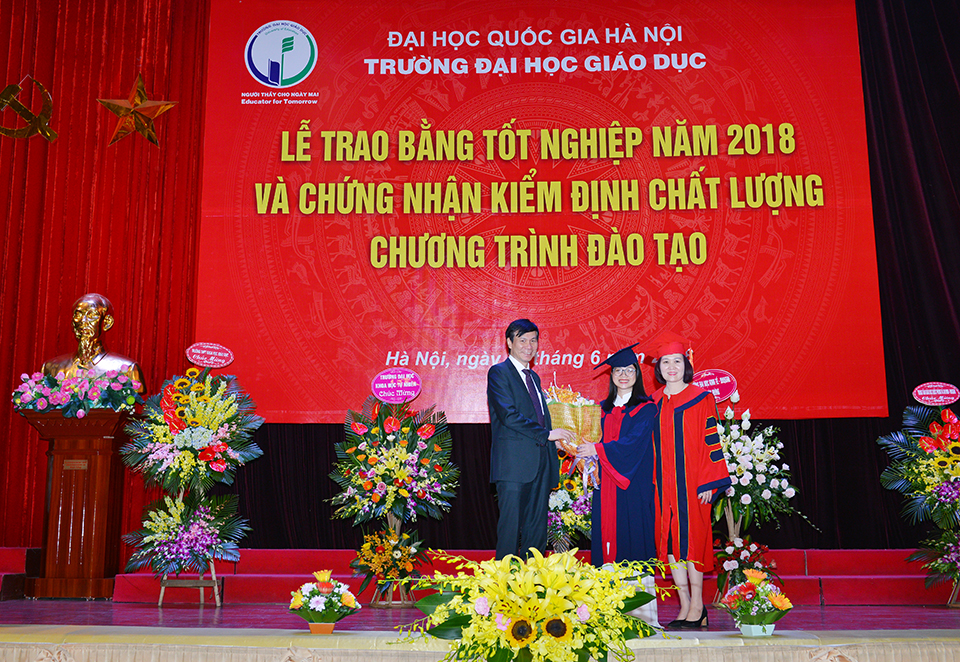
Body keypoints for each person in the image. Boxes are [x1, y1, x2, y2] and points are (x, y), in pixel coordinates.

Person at [648, 334, 731, 630]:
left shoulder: (701, 398)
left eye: (677, 361)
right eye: (666, 362)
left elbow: (711, 442)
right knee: (671, 544)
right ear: (659, 368)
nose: (672, 367)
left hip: (694, 485)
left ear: (686, 365)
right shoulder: (653, 403)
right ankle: (684, 606)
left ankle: (698, 605)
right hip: (663, 487)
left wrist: (709, 482)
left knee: (692, 543)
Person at [487, 319, 575, 559]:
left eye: (533, 340)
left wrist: (553, 440)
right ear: (509, 343)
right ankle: (504, 579)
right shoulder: (499, 373)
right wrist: (547, 434)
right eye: (522, 340)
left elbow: (539, 417)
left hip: (540, 463)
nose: (529, 346)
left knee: (536, 529)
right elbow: (508, 416)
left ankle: (534, 576)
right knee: (510, 529)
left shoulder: (534, 378)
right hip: (514, 466)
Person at [577, 344, 657, 566]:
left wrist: (597, 449)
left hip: (635, 482)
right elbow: (591, 438)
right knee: (606, 527)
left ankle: (638, 585)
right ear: (611, 375)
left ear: (637, 374)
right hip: (605, 482)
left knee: (633, 529)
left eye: (629, 370)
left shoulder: (646, 408)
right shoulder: (601, 409)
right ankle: (606, 582)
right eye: (618, 370)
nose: (624, 375)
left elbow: (634, 442)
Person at [42, 293, 145, 390]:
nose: (83, 321)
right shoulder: (51, 368)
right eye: (78, 315)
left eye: (91, 315)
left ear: (107, 323)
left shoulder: (127, 369)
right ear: (72, 323)